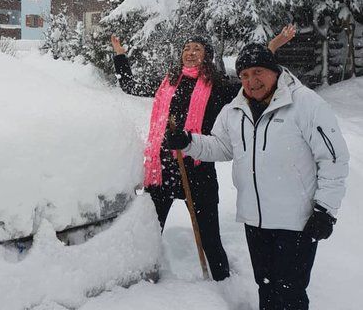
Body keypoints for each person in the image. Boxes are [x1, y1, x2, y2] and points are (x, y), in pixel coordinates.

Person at [165, 43, 349, 310]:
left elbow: (333, 158)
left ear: (274, 71)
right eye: (245, 75)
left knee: (290, 292)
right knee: (266, 287)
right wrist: (188, 141)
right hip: (255, 221)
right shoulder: (234, 109)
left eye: (258, 71)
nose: (252, 81)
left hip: (296, 222)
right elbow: (221, 146)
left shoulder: (305, 103)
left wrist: (325, 210)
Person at [111, 25, 296, 282]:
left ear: (207, 55)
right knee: (150, 233)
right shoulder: (168, 82)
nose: (190, 52)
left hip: (198, 168)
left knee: (210, 237)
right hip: (163, 169)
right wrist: (120, 55)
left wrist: (272, 48)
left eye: (197, 48)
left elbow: (252, 83)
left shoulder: (218, 86)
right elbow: (130, 85)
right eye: (186, 48)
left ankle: (224, 284)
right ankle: (145, 283)